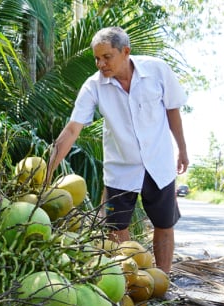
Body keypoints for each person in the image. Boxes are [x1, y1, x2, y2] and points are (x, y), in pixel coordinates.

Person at [45, 26, 188, 274]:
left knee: (164, 224)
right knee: (115, 227)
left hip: (159, 164)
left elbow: (172, 110)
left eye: (106, 57)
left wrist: (182, 149)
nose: (100, 64)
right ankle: (130, 281)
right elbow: (71, 130)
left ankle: (162, 281)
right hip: (120, 170)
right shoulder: (93, 87)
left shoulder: (157, 71)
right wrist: (47, 171)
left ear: (126, 52)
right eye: (97, 58)